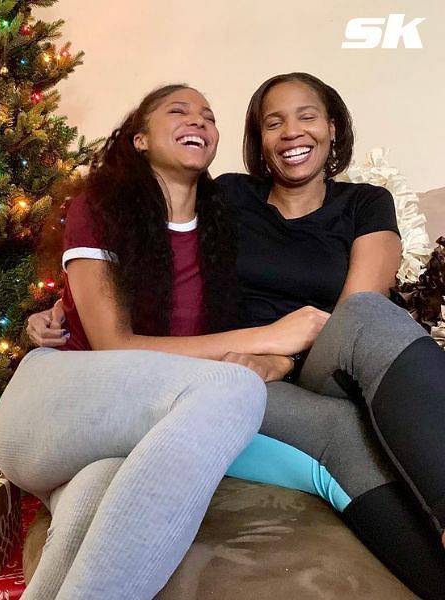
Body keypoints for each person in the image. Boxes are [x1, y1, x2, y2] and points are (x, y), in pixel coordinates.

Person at [28, 73, 445, 598]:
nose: (292, 132)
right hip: (240, 374)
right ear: (259, 140)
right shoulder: (229, 195)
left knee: (364, 313)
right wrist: (60, 306)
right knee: (347, 440)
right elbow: (147, 249)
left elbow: (355, 313)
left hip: (326, 358)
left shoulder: (366, 203)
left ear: (333, 128)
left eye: (307, 116)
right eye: (274, 122)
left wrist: (279, 356)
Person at [0, 84, 328, 599]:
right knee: (234, 389)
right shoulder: (99, 208)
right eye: (178, 111)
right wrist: (270, 337)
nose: (198, 120)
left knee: (92, 500)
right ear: (140, 139)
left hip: (120, 443)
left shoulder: (223, 226)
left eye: (209, 116)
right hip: (51, 408)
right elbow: (114, 345)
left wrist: (277, 357)